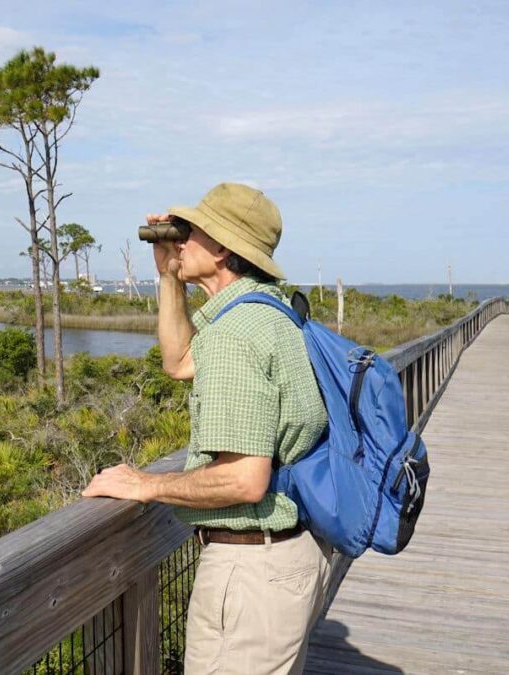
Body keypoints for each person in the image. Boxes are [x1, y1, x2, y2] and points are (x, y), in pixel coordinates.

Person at [82, 183, 331, 674]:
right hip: (289, 560)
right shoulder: (272, 313)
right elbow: (179, 361)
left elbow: (244, 479)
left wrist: (147, 484)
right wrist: (169, 276)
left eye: (188, 232)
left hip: (252, 574)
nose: (178, 240)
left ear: (220, 248)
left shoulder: (235, 336)